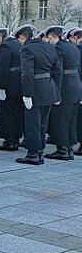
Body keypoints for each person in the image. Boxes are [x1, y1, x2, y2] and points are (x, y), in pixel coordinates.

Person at [17, 25, 61, 164]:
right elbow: (58, 71)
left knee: (32, 124)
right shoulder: (49, 47)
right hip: (49, 88)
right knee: (42, 124)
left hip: (35, 89)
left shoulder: (27, 49)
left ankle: (33, 154)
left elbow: (27, 74)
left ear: (23, 37)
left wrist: (27, 94)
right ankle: (40, 151)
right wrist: (57, 91)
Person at [45, 26, 81, 160]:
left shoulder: (58, 48)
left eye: (49, 38)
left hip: (65, 87)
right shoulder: (73, 47)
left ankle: (62, 149)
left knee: (61, 119)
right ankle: (70, 148)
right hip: (76, 86)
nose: (48, 41)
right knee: (71, 119)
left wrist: (56, 92)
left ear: (55, 37)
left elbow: (58, 71)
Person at [0, 27, 25, 151]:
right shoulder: (18, 44)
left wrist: (0, 86)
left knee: (6, 112)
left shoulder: (5, 47)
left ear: (0, 37)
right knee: (17, 112)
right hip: (20, 83)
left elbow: (3, 68)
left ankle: (9, 141)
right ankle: (16, 139)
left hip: (9, 84)